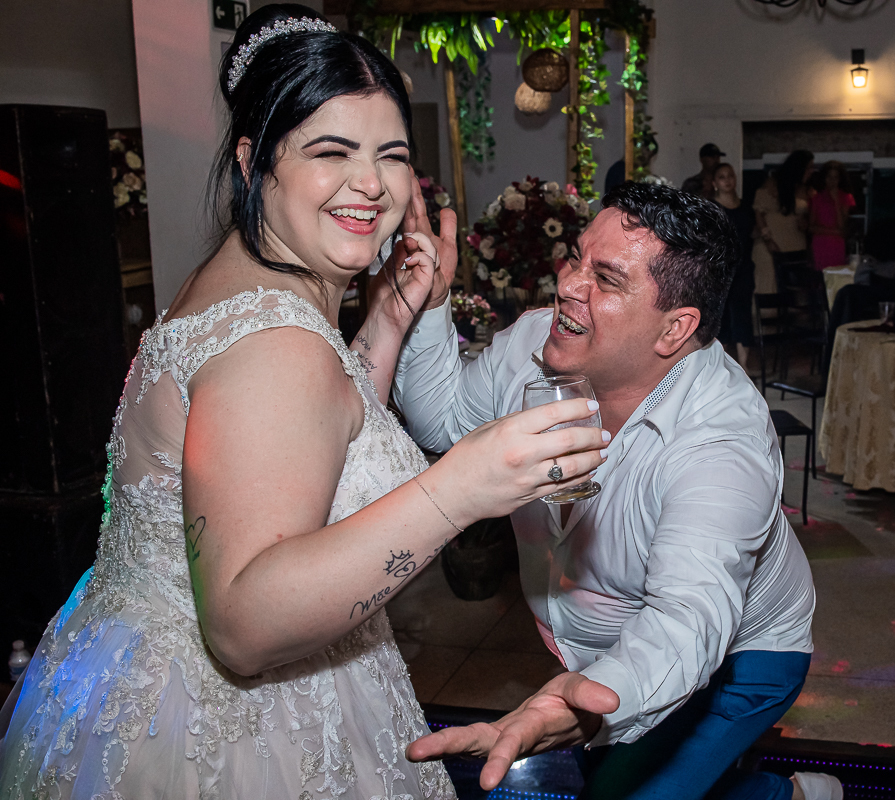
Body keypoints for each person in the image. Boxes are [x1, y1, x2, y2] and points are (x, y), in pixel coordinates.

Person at [0, 6, 608, 798]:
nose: (371, 184)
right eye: (332, 151)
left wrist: (390, 317)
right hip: (234, 733)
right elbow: (245, 629)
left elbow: (316, 438)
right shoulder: (275, 342)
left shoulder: (244, 285)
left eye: (392, 156)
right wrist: (460, 487)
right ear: (254, 160)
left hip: (128, 684)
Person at [395, 183, 839, 800]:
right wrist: (431, 303)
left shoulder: (721, 441)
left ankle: (785, 796)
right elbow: (444, 420)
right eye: (575, 257)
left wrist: (592, 701)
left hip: (746, 658)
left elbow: (686, 619)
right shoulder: (532, 347)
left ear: (675, 328)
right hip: (609, 651)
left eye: (604, 278)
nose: (567, 284)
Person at [713, 163, 755, 371]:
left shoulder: (746, 207)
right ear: (715, 183)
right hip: (720, 269)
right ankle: (720, 366)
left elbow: (751, 235)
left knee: (743, 313)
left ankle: (744, 365)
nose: (727, 180)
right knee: (721, 315)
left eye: (730, 176)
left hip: (744, 267)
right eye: (722, 177)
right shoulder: (712, 208)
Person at [754, 149, 815, 291]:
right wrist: (768, 240)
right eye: (808, 168)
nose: (811, 171)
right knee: (769, 288)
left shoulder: (808, 190)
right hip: (772, 246)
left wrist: (805, 223)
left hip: (796, 247)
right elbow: (759, 213)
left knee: (794, 293)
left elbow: (811, 219)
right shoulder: (773, 184)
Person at [809, 160, 856, 271]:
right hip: (820, 245)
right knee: (820, 275)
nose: (832, 181)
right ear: (824, 178)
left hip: (836, 245)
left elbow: (842, 226)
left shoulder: (846, 197)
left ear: (840, 179)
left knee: (836, 275)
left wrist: (836, 201)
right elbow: (811, 227)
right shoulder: (816, 198)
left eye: (835, 177)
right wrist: (834, 232)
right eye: (829, 177)